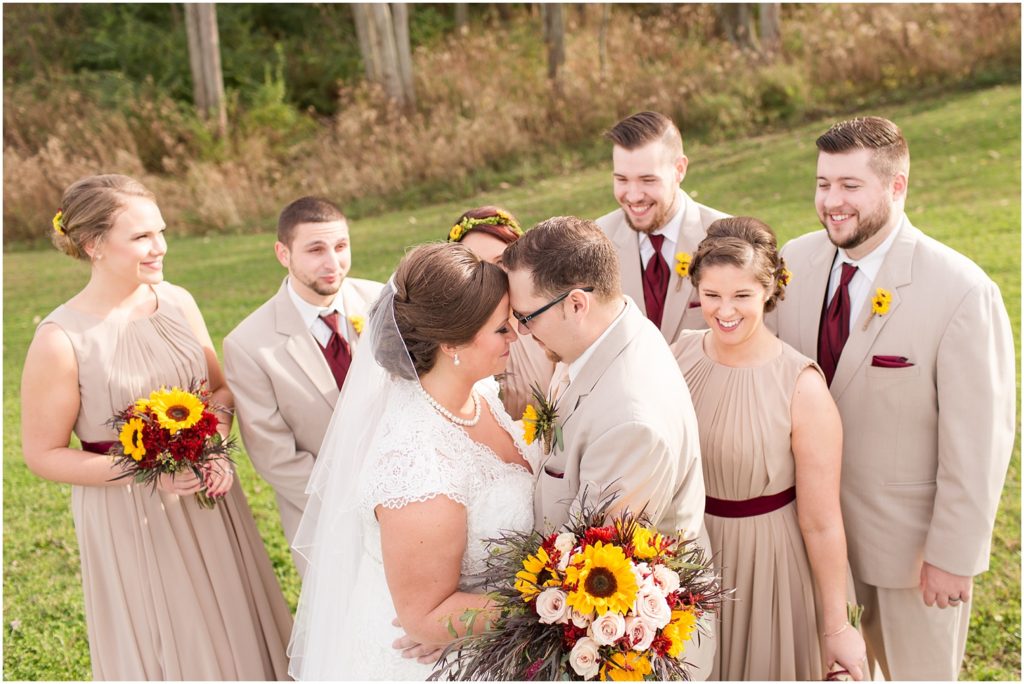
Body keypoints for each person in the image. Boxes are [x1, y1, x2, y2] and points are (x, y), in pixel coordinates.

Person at [20, 174, 292, 680]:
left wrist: (214, 448)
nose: (159, 246)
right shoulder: (62, 339)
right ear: (93, 245)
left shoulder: (178, 301)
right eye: (141, 236)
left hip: (209, 501)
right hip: (129, 514)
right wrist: (146, 473)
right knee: (173, 639)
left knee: (233, 630)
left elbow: (220, 392)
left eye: (160, 231)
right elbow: (43, 454)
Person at [770, 117, 1015, 680]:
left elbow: (979, 442)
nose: (831, 201)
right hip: (810, 544)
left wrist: (953, 557)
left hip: (910, 559)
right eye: (823, 183)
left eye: (850, 186)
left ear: (897, 185)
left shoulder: (961, 290)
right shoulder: (795, 262)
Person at [287, 243, 535, 680]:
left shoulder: (479, 397)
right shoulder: (418, 461)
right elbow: (425, 616)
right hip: (442, 666)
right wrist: (555, 602)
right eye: (501, 329)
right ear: (452, 342)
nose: (514, 335)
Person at [502, 215, 715, 679]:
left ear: (576, 303)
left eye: (525, 317)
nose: (520, 331)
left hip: (619, 659)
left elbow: (584, 575)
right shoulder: (607, 333)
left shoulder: (630, 423)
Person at [672, 217, 866, 680]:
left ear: (769, 291)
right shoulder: (678, 353)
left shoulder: (802, 387)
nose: (724, 311)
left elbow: (821, 522)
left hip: (769, 567)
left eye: (742, 295)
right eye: (712, 295)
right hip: (687, 554)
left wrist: (836, 625)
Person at [223, 197, 383, 575]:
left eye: (340, 247)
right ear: (283, 253)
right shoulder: (248, 344)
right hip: (324, 522)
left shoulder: (383, 302)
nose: (333, 263)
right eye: (315, 250)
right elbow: (274, 455)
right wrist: (363, 501)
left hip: (412, 502)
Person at [596, 111, 729, 344]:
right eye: (622, 180)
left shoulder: (727, 237)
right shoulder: (597, 239)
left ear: (679, 169)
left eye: (648, 180)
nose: (634, 196)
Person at [446, 205, 555, 418]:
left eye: (501, 262)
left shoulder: (549, 324)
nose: (492, 278)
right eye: (478, 266)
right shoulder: (453, 342)